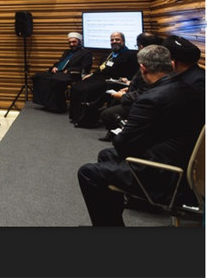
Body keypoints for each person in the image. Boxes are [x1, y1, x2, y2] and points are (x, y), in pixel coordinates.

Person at [77, 44, 205, 226]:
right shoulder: (190, 89)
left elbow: (123, 145)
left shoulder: (149, 99)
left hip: (163, 174)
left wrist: (125, 131)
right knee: (106, 155)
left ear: (143, 68)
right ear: (170, 64)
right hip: (185, 165)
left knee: (88, 173)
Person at [98, 33, 161, 140]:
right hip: (136, 94)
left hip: (143, 102)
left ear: (141, 47)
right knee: (113, 101)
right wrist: (129, 88)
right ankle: (114, 132)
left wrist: (124, 96)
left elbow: (147, 91)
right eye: (112, 39)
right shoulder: (156, 59)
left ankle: (122, 136)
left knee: (107, 114)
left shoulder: (149, 64)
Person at [70, 32, 140, 127]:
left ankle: (86, 121)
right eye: (112, 40)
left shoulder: (131, 55)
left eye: (117, 39)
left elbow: (134, 72)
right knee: (77, 87)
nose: (114, 41)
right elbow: (101, 68)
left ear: (123, 41)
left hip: (115, 81)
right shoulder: (109, 55)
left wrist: (128, 79)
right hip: (99, 77)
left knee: (87, 90)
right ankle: (76, 116)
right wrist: (91, 74)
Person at [31, 33, 94, 113]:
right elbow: (60, 62)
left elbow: (86, 67)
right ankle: (47, 103)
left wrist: (69, 70)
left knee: (56, 79)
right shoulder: (67, 52)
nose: (71, 44)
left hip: (74, 74)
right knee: (37, 76)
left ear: (80, 41)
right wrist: (54, 67)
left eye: (74, 42)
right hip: (60, 72)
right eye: (70, 42)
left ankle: (58, 106)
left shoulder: (86, 53)